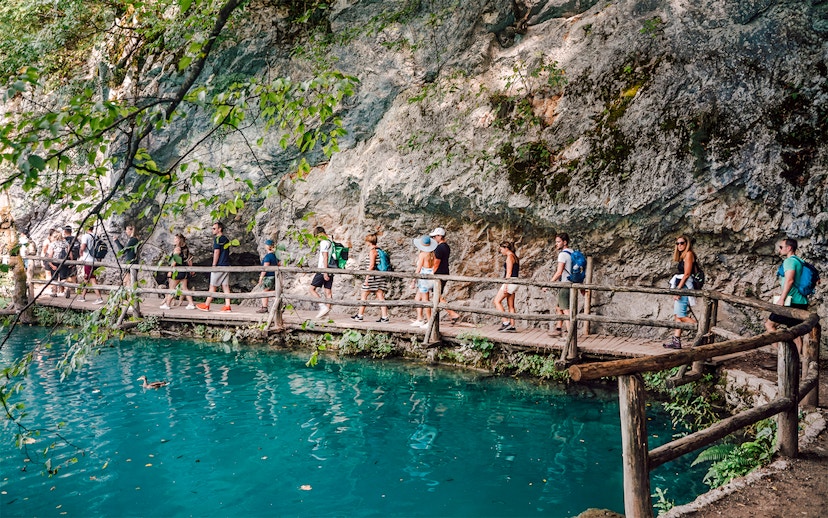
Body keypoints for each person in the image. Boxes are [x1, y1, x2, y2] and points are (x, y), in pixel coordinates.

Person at [764, 238, 810, 354]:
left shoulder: (789, 261)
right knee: (794, 331)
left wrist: (782, 298)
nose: (779, 249)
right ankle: (799, 359)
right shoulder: (800, 261)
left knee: (769, 324)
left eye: (781, 247)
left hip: (791, 302)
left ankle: (781, 355)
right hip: (801, 302)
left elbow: (789, 280)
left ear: (789, 248)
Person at [663, 234, 698, 349]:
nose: (679, 245)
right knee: (678, 315)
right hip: (681, 286)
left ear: (687, 244)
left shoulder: (689, 254)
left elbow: (687, 274)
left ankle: (702, 329)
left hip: (684, 288)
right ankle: (676, 341)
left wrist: (679, 290)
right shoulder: (683, 256)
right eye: (677, 243)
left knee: (681, 316)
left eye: (682, 243)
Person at [352, 234, 390, 323]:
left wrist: (366, 278)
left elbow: (372, 265)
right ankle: (385, 317)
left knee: (364, 295)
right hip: (380, 276)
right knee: (380, 296)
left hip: (373, 277)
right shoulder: (379, 250)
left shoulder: (372, 251)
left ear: (368, 242)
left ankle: (360, 316)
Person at [197, 222, 232, 312]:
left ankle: (206, 305)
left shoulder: (217, 239)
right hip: (226, 265)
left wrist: (214, 265)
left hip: (219, 265)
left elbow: (216, 252)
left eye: (214, 228)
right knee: (225, 286)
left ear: (219, 229)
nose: (212, 230)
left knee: (212, 286)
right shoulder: (226, 239)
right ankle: (227, 305)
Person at [429, 227, 461, 323]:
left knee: (437, 296)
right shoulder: (446, 246)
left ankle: (453, 313)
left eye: (435, 236)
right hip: (445, 271)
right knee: (438, 295)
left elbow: (436, 262)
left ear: (440, 236)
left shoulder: (439, 248)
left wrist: (432, 273)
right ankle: (451, 314)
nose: (434, 238)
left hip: (439, 273)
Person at [161, 233, 196, 310]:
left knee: (172, 288)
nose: (174, 240)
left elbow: (175, 260)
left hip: (177, 270)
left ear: (179, 240)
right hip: (184, 270)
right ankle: (191, 303)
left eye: (176, 239)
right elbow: (189, 260)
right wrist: (191, 269)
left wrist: (170, 270)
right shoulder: (186, 248)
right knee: (184, 288)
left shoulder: (177, 249)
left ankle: (167, 304)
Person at [548, 232, 573, 337]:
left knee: (565, 309)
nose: (556, 244)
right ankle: (558, 329)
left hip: (565, 284)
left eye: (558, 242)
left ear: (565, 242)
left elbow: (559, 272)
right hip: (571, 282)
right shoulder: (572, 252)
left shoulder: (562, 255)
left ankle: (569, 333)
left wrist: (548, 284)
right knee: (559, 307)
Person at [411, 234, 438, 328]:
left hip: (424, 277)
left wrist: (413, 280)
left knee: (425, 300)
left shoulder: (422, 254)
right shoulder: (433, 254)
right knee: (417, 299)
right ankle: (420, 319)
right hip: (431, 275)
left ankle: (430, 321)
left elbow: (418, 268)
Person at [493, 241, 519, 332]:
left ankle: (506, 323)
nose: (501, 251)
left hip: (510, 282)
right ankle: (512, 325)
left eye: (501, 249)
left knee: (496, 301)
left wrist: (506, 285)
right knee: (511, 305)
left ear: (506, 248)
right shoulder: (515, 257)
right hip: (516, 282)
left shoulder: (509, 257)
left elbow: (509, 272)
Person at [308, 226, 334, 319]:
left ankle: (323, 307)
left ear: (319, 234)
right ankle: (326, 312)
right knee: (328, 292)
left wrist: (325, 272)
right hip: (331, 268)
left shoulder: (323, 242)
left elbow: (325, 257)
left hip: (323, 269)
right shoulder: (331, 240)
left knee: (311, 289)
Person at [78, 224, 104, 304]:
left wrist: (80, 253)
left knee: (92, 279)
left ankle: (99, 298)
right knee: (87, 278)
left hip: (88, 260)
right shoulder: (96, 236)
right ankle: (82, 296)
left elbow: (83, 247)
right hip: (95, 260)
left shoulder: (86, 236)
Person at [257, 239, 280, 314]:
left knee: (265, 291)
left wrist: (261, 278)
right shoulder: (275, 256)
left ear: (267, 246)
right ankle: (279, 304)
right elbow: (279, 264)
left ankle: (264, 307)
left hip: (268, 277)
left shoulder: (268, 257)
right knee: (272, 291)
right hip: (275, 276)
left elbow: (265, 268)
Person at [49, 229, 70, 297]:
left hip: (55, 262)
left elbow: (50, 255)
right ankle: (67, 288)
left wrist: (51, 265)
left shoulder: (53, 244)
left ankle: (54, 292)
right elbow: (69, 253)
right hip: (64, 262)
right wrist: (71, 261)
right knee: (63, 277)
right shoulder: (66, 243)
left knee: (54, 278)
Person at [62, 226, 79, 298]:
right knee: (73, 273)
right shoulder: (76, 239)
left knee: (64, 275)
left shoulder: (64, 240)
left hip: (66, 258)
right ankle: (76, 288)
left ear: (65, 231)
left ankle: (66, 288)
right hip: (74, 258)